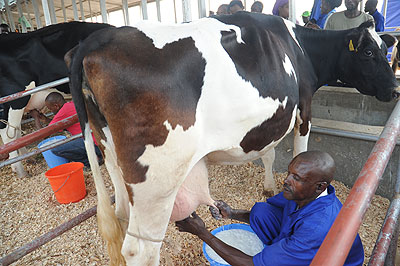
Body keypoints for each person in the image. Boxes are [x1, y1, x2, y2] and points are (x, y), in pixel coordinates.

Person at [176, 151, 364, 266]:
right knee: (262, 211)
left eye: (297, 178)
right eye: (289, 173)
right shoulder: (302, 193)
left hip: (326, 261)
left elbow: (251, 264)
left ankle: (279, 256)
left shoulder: (316, 228)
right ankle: (279, 253)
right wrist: (231, 213)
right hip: (300, 237)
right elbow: (268, 215)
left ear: (320, 187)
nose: (286, 180)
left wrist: (202, 233)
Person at [43, 92, 102, 168]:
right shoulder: (71, 104)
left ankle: (89, 162)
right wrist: (45, 120)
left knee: (55, 149)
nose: (51, 111)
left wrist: (37, 119)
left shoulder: (63, 112)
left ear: (56, 106)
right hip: (99, 140)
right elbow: (59, 125)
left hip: (93, 144)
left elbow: (46, 133)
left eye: (50, 109)